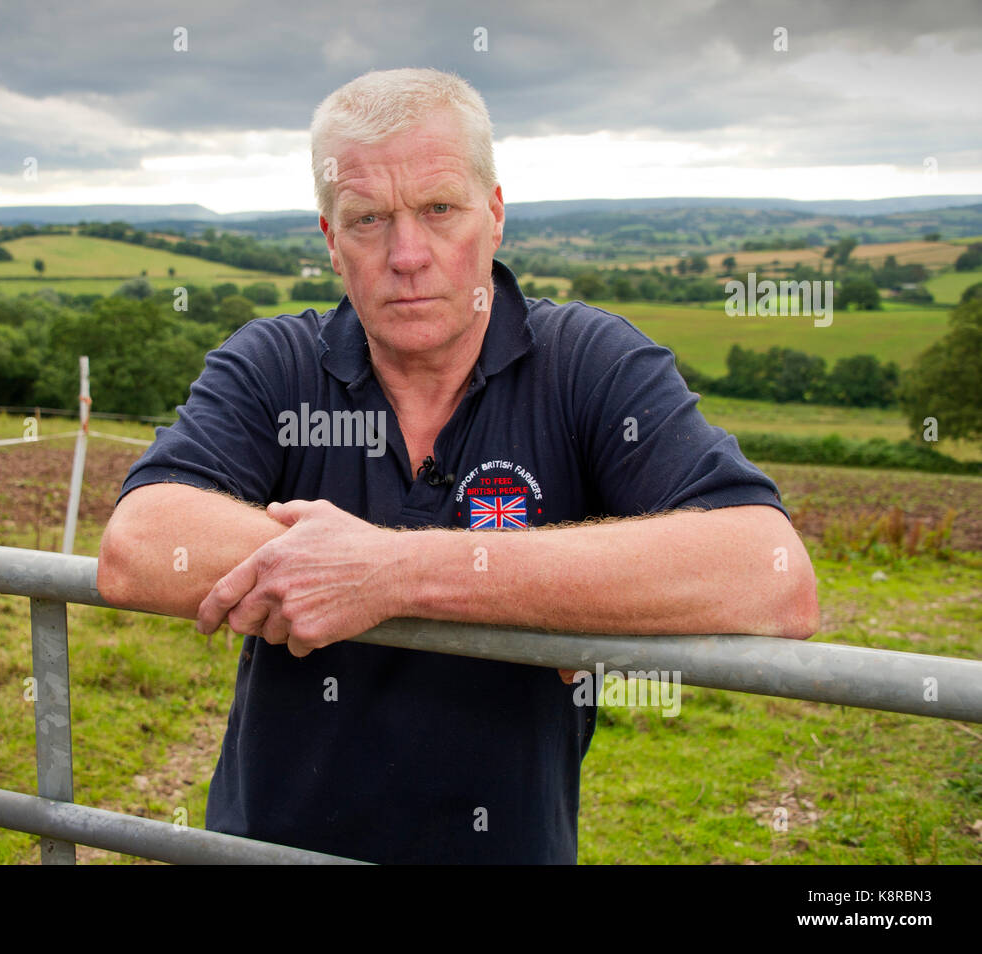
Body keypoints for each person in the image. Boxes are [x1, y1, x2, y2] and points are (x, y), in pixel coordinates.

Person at [96, 67, 819, 864]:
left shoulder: (588, 363)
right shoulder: (275, 363)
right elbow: (140, 547)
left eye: (440, 209)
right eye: (368, 219)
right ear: (331, 240)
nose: (407, 255)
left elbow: (770, 573)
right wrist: (559, 587)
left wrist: (391, 573)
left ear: (495, 214)